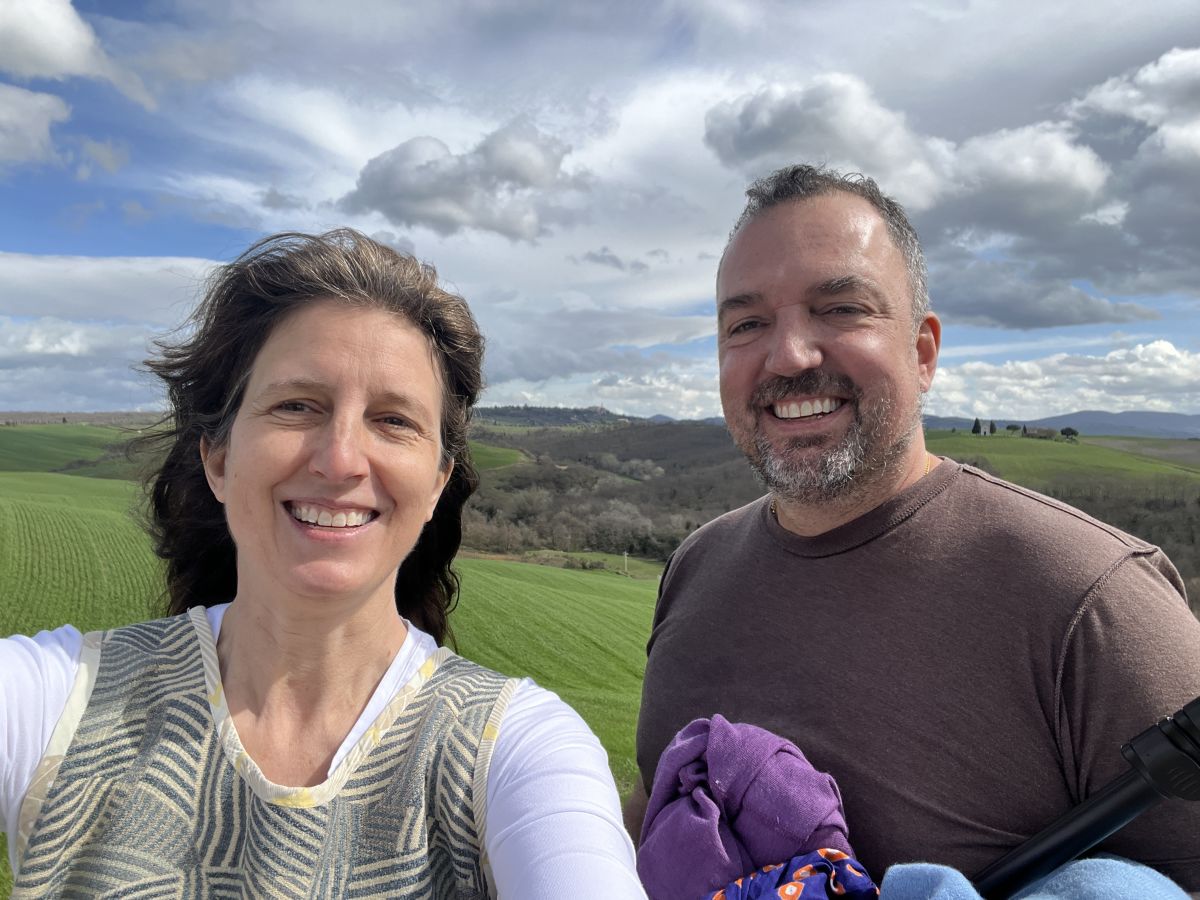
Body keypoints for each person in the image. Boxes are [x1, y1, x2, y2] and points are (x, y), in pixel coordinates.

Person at [1, 229, 645, 897]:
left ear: (434, 485)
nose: (340, 459)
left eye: (393, 420)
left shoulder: (515, 750)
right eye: (297, 406)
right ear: (219, 458)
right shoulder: (57, 702)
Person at [628, 165, 1200, 892]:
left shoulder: (1092, 599)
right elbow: (653, 813)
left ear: (923, 352)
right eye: (747, 324)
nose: (790, 356)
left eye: (840, 309)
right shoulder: (698, 565)